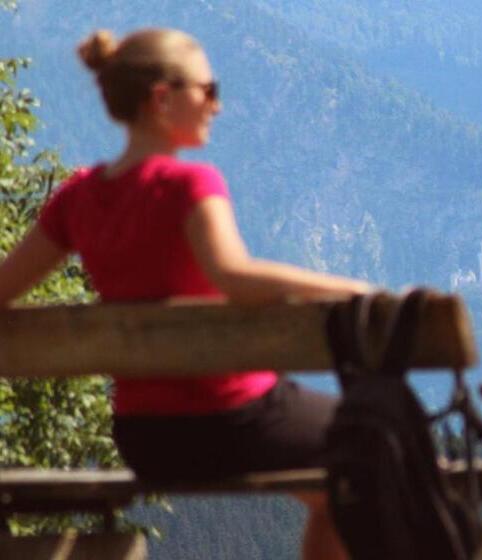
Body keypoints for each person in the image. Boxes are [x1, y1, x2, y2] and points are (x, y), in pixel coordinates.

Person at [0, 28, 368, 560]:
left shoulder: (78, 199)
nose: (217, 103)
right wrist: (355, 289)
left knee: (338, 486)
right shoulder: (189, 185)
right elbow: (234, 276)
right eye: (208, 88)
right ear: (162, 98)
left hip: (144, 436)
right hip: (231, 418)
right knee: (375, 438)